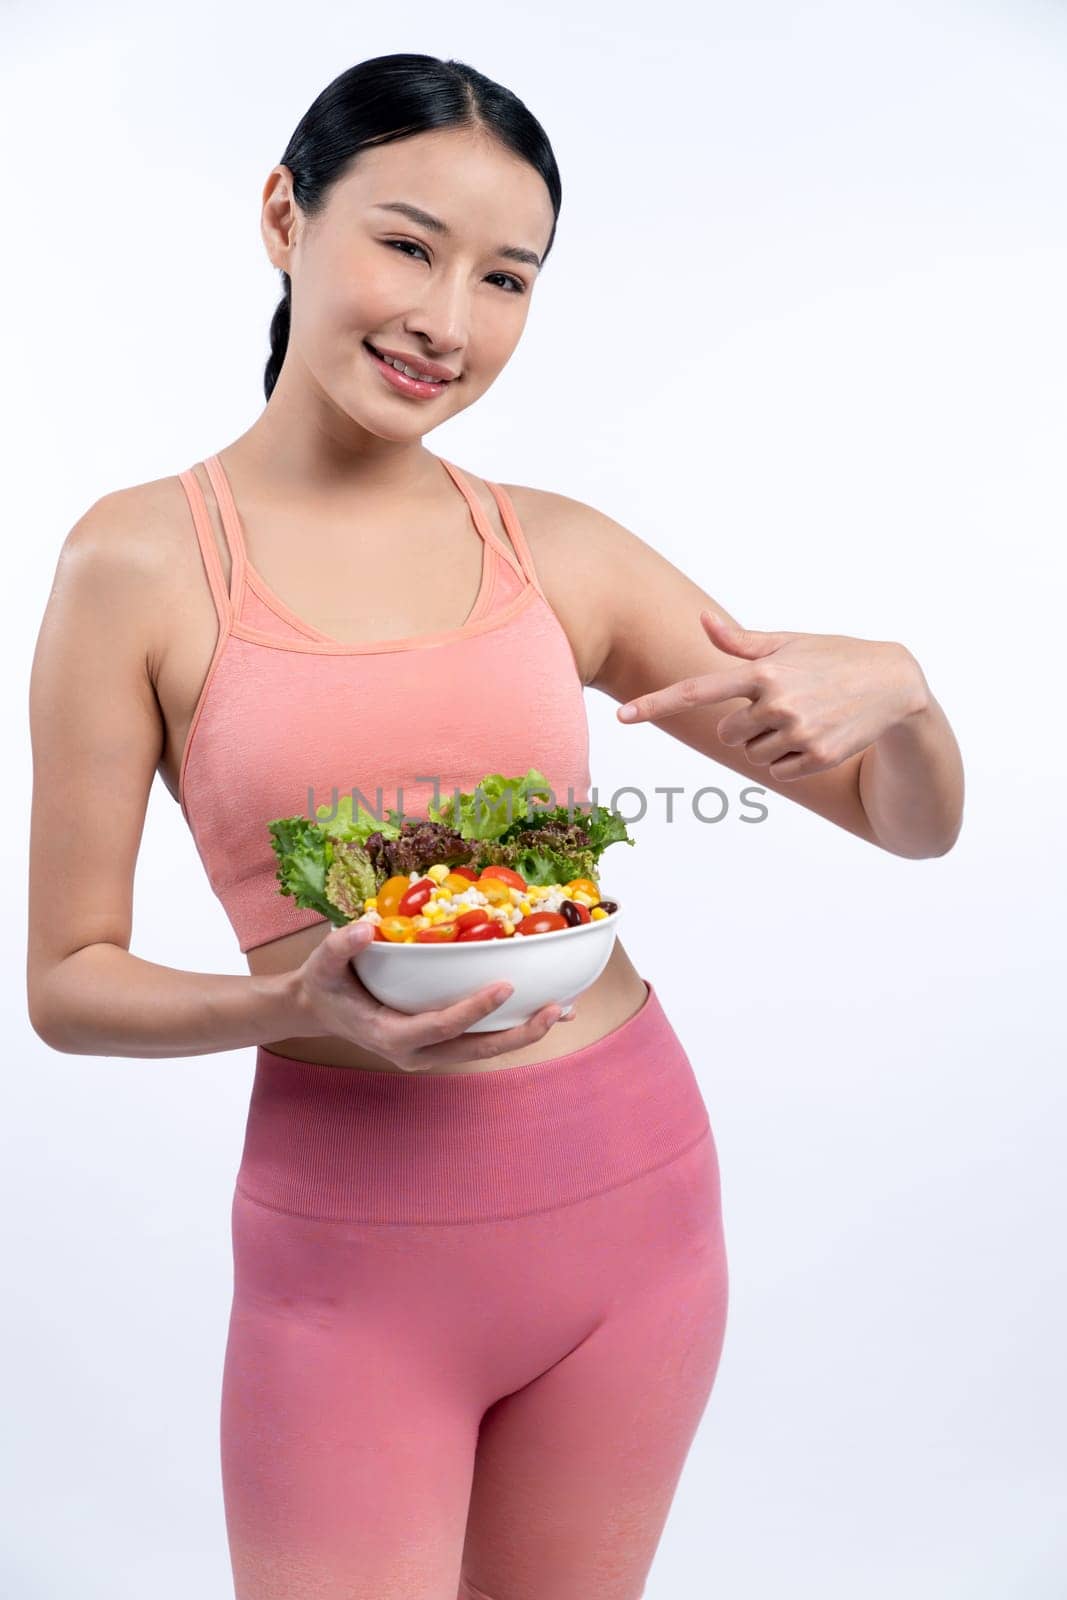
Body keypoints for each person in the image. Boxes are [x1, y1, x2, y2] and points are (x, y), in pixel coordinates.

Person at [26, 51, 963, 1600]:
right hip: (352, 1254)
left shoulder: (560, 554)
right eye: (406, 244)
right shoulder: (135, 563)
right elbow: (67, 980)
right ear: (284, 214)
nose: (445, 322)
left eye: (506, 278)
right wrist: (286, 1002)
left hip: (635, 1210)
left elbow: (902, 823)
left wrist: (911, 701)